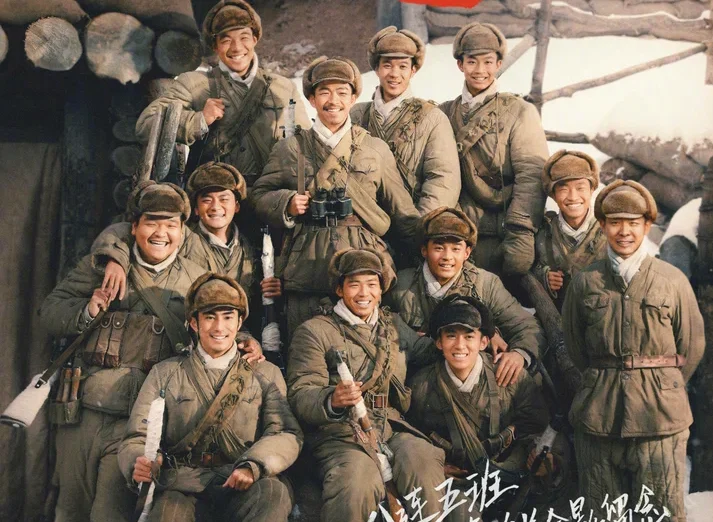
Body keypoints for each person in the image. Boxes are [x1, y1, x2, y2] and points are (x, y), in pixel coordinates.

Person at [39, 182, 208, 522]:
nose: (161, 233)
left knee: (110, 514)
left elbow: (218, 328)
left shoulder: (197, 281)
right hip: (81, 414)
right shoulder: (102, 267)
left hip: (137, 424)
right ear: (134, 227)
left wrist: (246, 341)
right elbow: (50, 312)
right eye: (151, 223)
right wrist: (87, 310)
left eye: (170, 224)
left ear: (183, 231)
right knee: (69, 510)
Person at [562, 180, 705, 521]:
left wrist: (661, 383)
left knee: (661, 512)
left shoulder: (672, 280)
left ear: (647, 225)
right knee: (602, 513)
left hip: (660, 419)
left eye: (633, 223)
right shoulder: (586, 282)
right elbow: (576, 346)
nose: (624, 231)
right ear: (602, 225)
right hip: (599, 416)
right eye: (615, 222)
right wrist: (605, 378)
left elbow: (692, 345)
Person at [249, 56, 421, 336]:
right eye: (324, 92)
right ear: (312, 99)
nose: (333, 101)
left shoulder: (374, 149)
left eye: (342, 92)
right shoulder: (290, 148)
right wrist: (287, 203)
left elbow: (402, 212)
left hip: (363, 265)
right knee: (306, 342)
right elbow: (258, 196)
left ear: (353, 99)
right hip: (306, 269)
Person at [118, 273, 302, 522]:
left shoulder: (265, 374)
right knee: (167, 513)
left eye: (228, 317)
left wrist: (253, 466)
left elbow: (285, 433)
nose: (219, 327)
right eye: (209, 317)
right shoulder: (166, 373)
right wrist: (140, 461)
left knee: (273, 494)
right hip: (183, 483)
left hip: (241, 481)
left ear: (239, 322)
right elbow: (137, 436)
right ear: (194, 323)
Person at [287, 248, 448, 522]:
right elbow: (301, 392)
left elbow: (428, 351)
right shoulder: (314, 331)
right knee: (357, 482)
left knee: (422, 461)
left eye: (372, 284)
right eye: (354, 284)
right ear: (339, 289)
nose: (364, 293)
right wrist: (332, 399)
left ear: (381, 290)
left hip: (390, 426)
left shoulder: (393, 324)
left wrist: (472, 337)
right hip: (341, 434)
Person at [135, 0, 310, 190]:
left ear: (254, 39)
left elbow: (305, 146)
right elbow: (146, 124)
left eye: (244, 37)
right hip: (214, 198)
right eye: (226, 40)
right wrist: (199, 120)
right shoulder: (194, 84)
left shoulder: (283, 88)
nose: (236, 48)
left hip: (269, 197)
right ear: (215, 46)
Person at [91, 162, 281, 335]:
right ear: (196, 209)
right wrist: (116, 258)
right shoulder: (182, 237)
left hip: (228, 334)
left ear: (237, 206)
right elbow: (123, 230)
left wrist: (271, 289)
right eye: (206, 200)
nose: (215, 207)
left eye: (224, 199)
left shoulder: (250, 249)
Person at [408, 295, 548, 519]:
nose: (460, 345)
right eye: (450, 336)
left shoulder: (510, 376)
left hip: (509, 479)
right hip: (457, 484)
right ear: (438, 342)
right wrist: (435, 467)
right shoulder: (421, 386)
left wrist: (524, 461)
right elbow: (413, 438)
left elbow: (536, 427)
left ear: (483, 342)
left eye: (469, 336)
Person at [387, 207, 546, 386]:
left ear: (467, 253)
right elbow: (380, 323)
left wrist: (519, 354)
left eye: (456, 249)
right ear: (424, 250)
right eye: (438, 248)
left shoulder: (485, 283)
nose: (447, 257)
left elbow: (525, 325)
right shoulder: (402, 285)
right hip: (421, 381)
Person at [440, 22, 549, 280]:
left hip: (504, 233)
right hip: (456, 237)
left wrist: (521, 232)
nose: (480, 70)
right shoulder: (443, 113)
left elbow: (532, 174)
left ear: (499, 64)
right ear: (460, 65)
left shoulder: (519, 111)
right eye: (472, 62)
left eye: (488, 62)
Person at [350, 26, 460, 215]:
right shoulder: (357, 115)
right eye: (387, 65)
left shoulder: (432, 118)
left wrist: (421, 225)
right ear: (376, 68)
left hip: (413, 218)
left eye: (402, 66)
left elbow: (443, 179)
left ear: (413, 70)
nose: (394, 74)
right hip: (365, 221)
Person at [532, 150, 607, 311]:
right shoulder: (543, 234)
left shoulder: (609, 231)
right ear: (553, 194)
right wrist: (544, 277)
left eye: (580, 188)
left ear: (592, 190)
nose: (573, 197)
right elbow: (528, 271)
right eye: (563, 189)